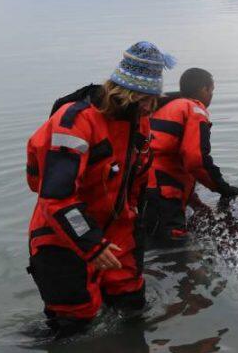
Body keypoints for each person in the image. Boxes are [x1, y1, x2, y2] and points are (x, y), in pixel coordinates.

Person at [25, 41, 175, 337]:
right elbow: (56, 198)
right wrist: (92, 244)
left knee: (132, 307)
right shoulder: (74, 123)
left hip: (119, 231)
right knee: (74, 327)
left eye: (153, 99)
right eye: (144, 99)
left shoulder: (138, 122)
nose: (149, 107)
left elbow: (138, 183)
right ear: (124, 92)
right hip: (63, 238)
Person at [139, 67, 238, 247]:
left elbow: (163, 153)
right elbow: (196, 160)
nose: (211, 96)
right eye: (211, 91)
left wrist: (193, 200)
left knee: (149, 239)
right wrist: (223, 188)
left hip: (144, 188)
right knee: (174, 247)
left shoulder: (164, 106)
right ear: (204, 90)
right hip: (164, 193)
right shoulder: (194, 110)